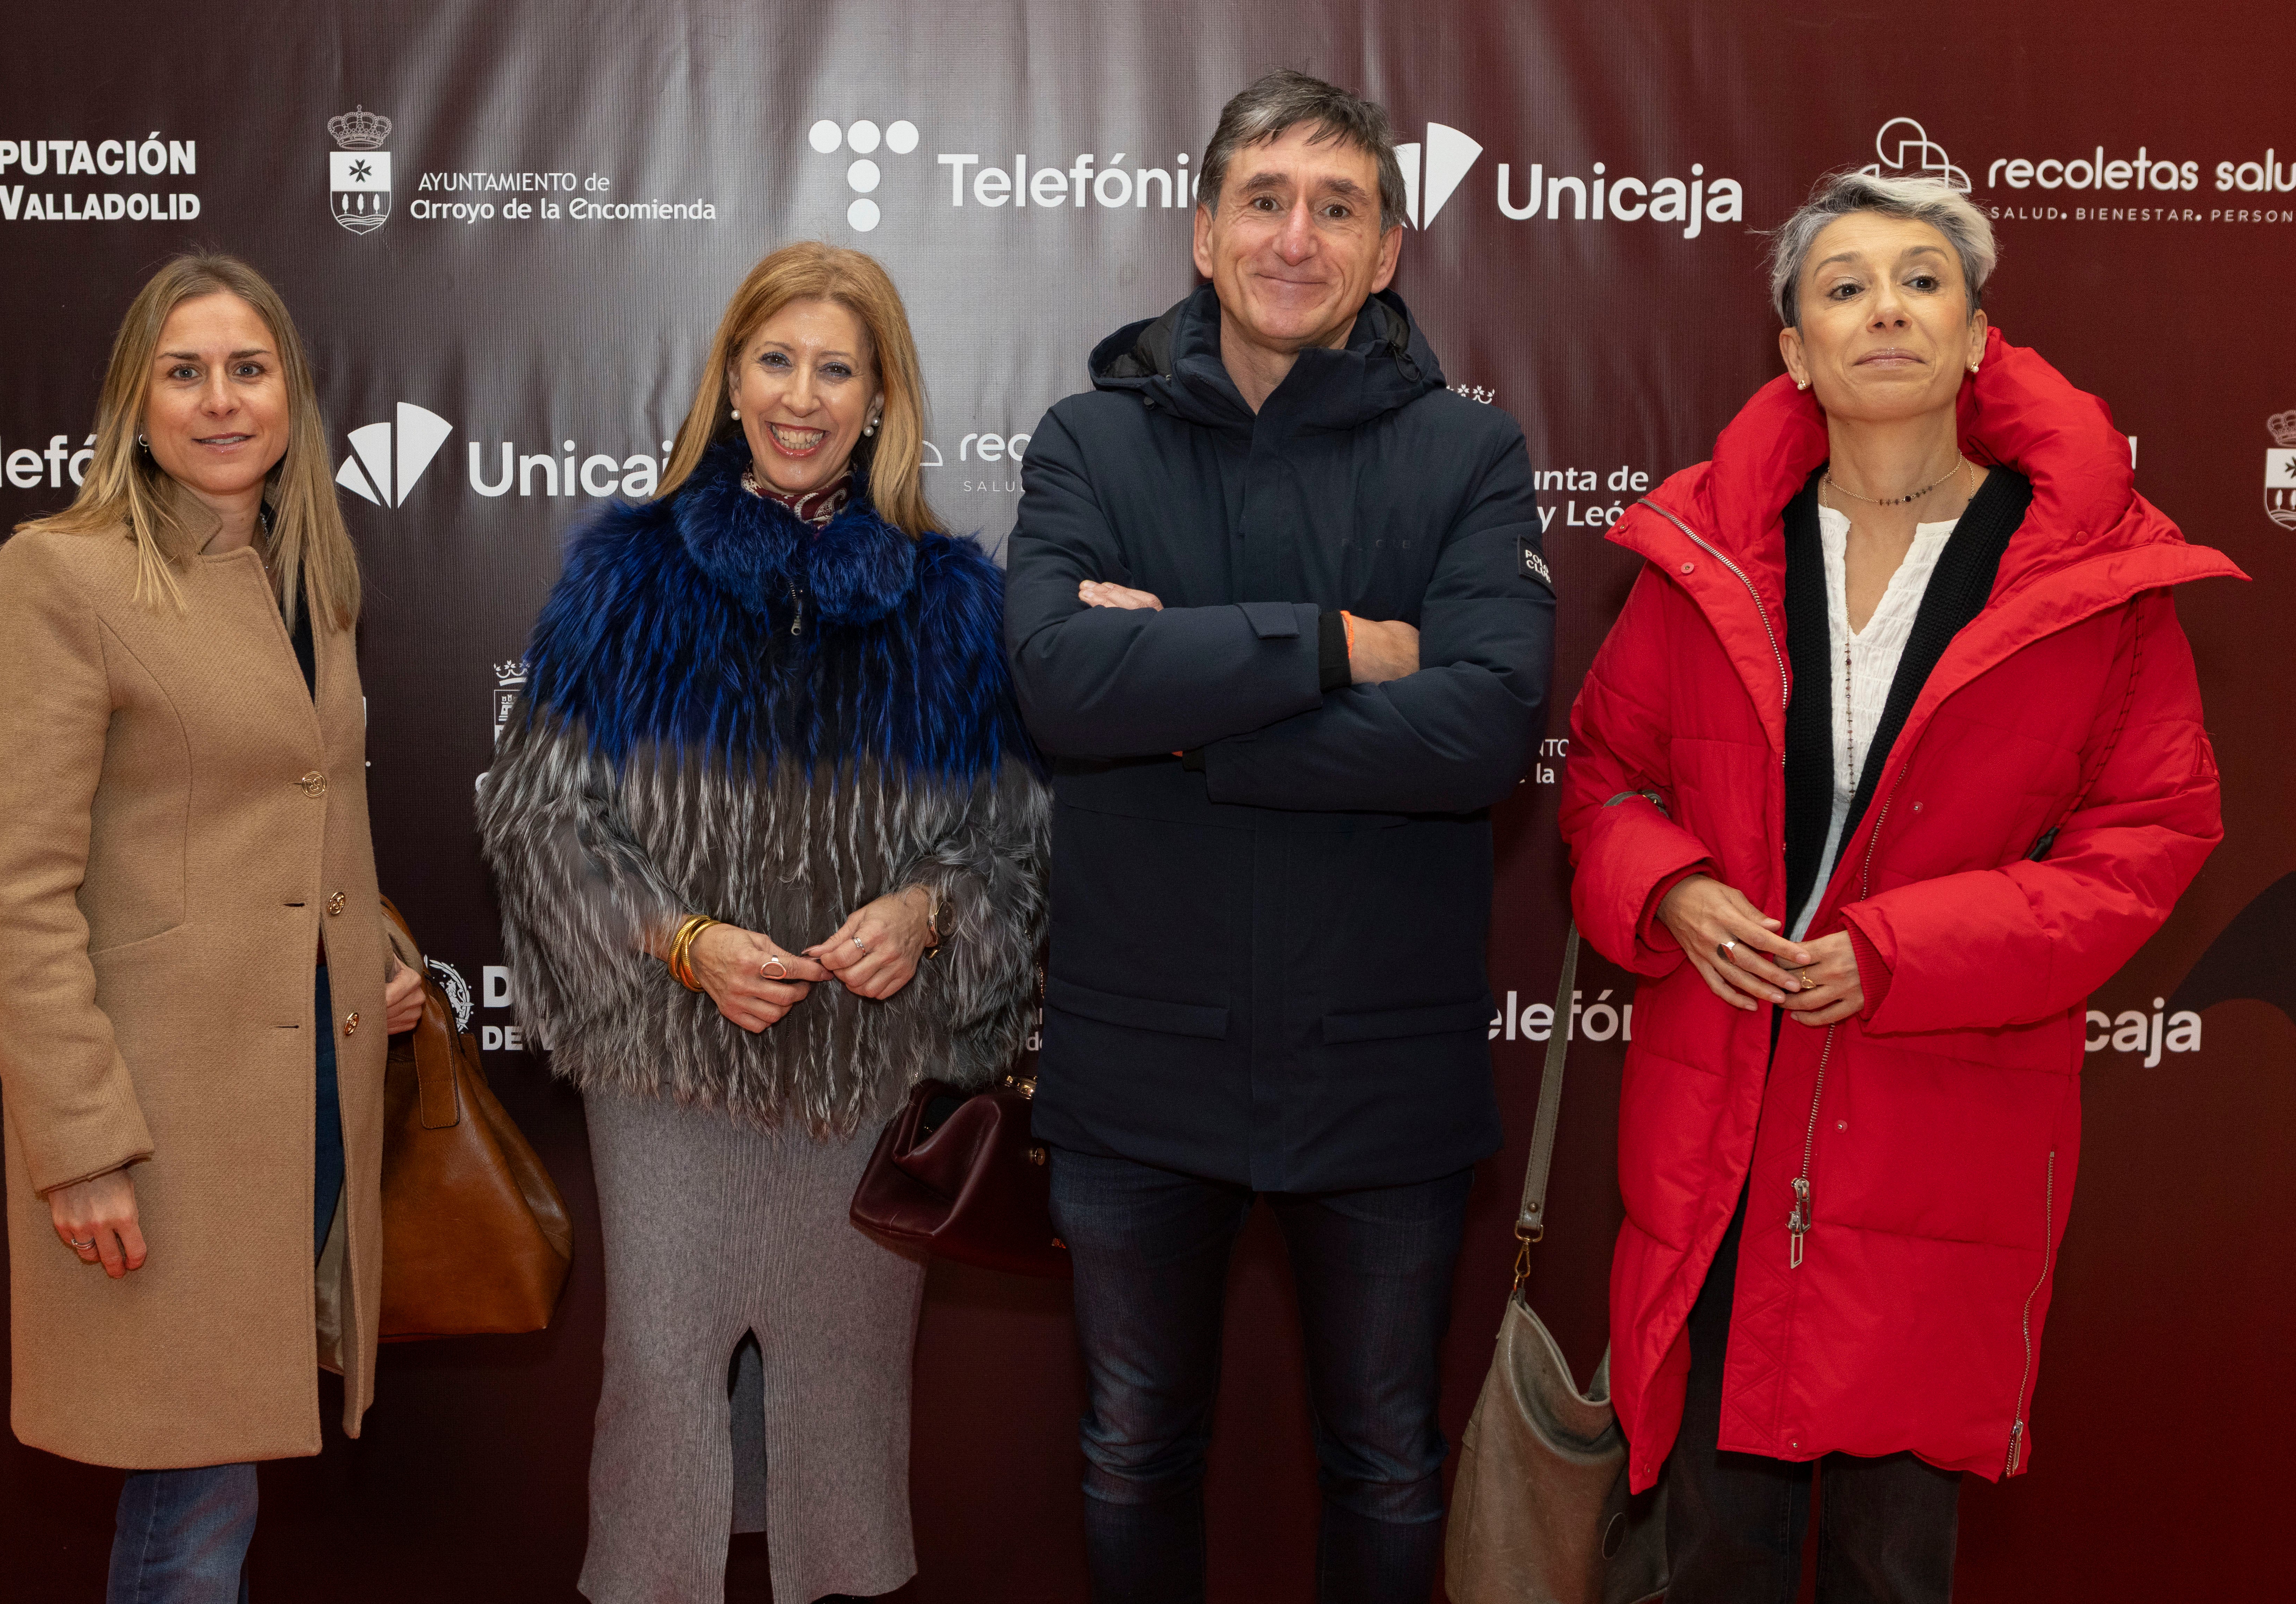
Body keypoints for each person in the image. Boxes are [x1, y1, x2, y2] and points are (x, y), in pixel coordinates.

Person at [1559, 172, 2239, 1602]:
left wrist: (1900, 947)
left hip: (1941, 1122)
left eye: (1924, 280)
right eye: (1845, 285)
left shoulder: (2095, 577)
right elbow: (1606, 776)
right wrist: (1674, 889)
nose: (1887, 308)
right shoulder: (1703, 557)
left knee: (1896, 1563)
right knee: (1712, 1552)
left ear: (1980, 333)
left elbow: (2151, 834)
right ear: (1796, 349)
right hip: (1722, 1126)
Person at [1004, 69, 1553, 1604]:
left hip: (1381, 1065)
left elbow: (1482, 733)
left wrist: (1181, 694)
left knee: (1387, 1455)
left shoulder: (1467, 454)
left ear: (1387, 251)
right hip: (1135, 1064)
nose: (1296, 236)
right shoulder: (1089, 440)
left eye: (1338, 206)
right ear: (1203, 230)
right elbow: (1055, 680)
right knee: (1128, 1446)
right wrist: (1334, 643)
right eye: (1265, 198)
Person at [477, 241, 1046, 1604]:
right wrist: (682, 941)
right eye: (777, 359)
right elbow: (537, 812)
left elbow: (1013, 839)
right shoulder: (627, 575)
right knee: (661, 1391)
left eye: (836, 368)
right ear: (731, 381)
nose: (803, 395)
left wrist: (925, 909)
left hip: (863, 1077)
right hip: (669, 1068)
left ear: (879, 397)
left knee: (848, 1409)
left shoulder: (950, 599)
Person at [0, 252, 427, 1603]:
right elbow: (16, 889)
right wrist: (82, 1142)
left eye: (248, 367)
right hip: (159, 1128)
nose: (220, 400)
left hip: (300, 1106)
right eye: (184, 371)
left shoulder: (312, 575)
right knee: (190, 1502)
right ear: (135, 399)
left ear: (291, 391)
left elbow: (316, 816)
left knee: (212, 1492)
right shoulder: (61, 576)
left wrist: (374, 966)